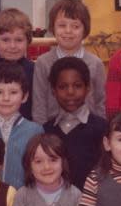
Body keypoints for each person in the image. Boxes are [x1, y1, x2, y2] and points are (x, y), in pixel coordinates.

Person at [31, 0, 106, 124]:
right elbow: (39, 105)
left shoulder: (95, 63)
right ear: (52, 28)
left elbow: (101, 103)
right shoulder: (43, 63)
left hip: (88, 131)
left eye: (75, 26)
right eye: (62, 25)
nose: (68, 31)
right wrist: (41, 135)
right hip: (53, 133)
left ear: (85, 30)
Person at [0, 61, 44, 189]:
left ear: (25, 96)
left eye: (13, 92)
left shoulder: (35, 131)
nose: (6, 98)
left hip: (23, 203)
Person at [43, 57, 107, 190]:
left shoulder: (102, 129)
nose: (70, 92)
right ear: (53, 91)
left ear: (88, 87)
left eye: (77, 86)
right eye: (62, 87)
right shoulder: (46, 131)